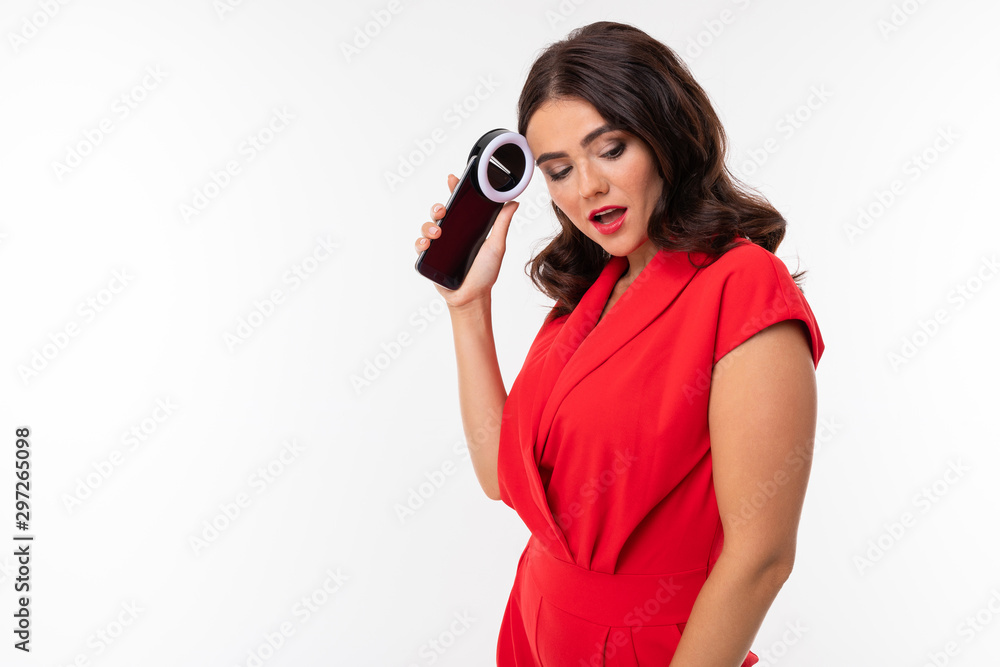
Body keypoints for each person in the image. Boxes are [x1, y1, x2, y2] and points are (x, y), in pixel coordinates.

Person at [413, 21, 824, 667]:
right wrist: (469, 308)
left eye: (610, 149)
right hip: (532, 629)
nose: (587, 187)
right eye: (558, 170)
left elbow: (762, 558)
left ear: (665, 135)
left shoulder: (742, 285)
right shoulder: (585, 298)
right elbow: (502, 478)